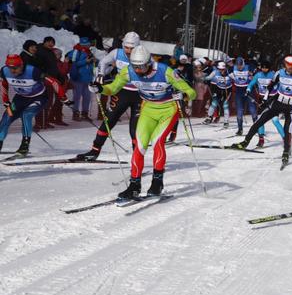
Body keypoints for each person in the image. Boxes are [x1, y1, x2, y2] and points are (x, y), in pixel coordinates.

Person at [96, 44, 196, 199]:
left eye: (141, 67)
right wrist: (100, 88)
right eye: (135, 66)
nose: (138, 70)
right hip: (148, 110)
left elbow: (192, 91)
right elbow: (113, 88)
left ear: (149, 63)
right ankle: (134, 185)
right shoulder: (128, 71)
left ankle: (157, 182)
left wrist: (184, 95)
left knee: (157, 142)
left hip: (168, 110)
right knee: (139, 146)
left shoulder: (165, 71)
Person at [73, 32, 144, 161]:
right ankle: (94, 151)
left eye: (132, 48)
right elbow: (104, 62)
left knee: (135, 130)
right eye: (126, 47)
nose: (128, 51)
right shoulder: (117, 52)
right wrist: (100, 75)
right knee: (108, 121)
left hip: (140, 95)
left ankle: (137, 159)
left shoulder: (143, 54)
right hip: (121, 92)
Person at [229, 55, 292, 166]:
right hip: (278, 102)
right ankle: (245, 142)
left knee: (287, 129)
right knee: (259, 121)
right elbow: (271, 86)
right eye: (288, 64)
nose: (290, 67)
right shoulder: (279, 73)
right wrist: (266, 99)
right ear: (285, 64)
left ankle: (286, 151)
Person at [0, 53, 55, 155]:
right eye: (10, 68)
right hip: (20, 99)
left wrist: (64, 98)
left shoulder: (32, 71)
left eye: (15, 68)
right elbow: (3, 84)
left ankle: (24, 146)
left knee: (26, 115)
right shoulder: (4, 71)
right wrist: (6, 101)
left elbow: (53, 82)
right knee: (7, 116)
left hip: (39, 98)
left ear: (21, 65)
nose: (12, 71)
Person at [67, 40, 95, 121]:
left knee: (87, 97)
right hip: (78, 78)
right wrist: (85, 61)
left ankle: (84, 114)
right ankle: (75, 114)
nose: (89, 46)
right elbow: (73, 64)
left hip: (87, 78)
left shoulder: (89, 52)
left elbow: (91, 64)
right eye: (88, 44)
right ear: (84, 45)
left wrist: (94, 61)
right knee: (77, 97)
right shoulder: (75, 52)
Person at [229, 57, 255, 135]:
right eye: (238, 65)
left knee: (252, 109)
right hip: (239, 91)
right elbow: (228, 72)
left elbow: (254, 65)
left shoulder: (248, 67)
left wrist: (252, 73)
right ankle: (240, 129)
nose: (239, 67)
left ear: (243, 63)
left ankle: (256, 128)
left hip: (248, 90)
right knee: (239, 111)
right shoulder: (232, 68)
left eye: (241, 65)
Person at [203, 61, 232, 125]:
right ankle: (209, 118)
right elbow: (209, 77)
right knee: (213, 103)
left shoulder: (228, 72)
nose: (221, 70)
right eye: (219, 69)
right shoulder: (215, 72)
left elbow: (235, 78)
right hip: (217, 90)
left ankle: (226, 121)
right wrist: (204, 79)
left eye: (222, 69)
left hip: (226, 91)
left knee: (225, 105)